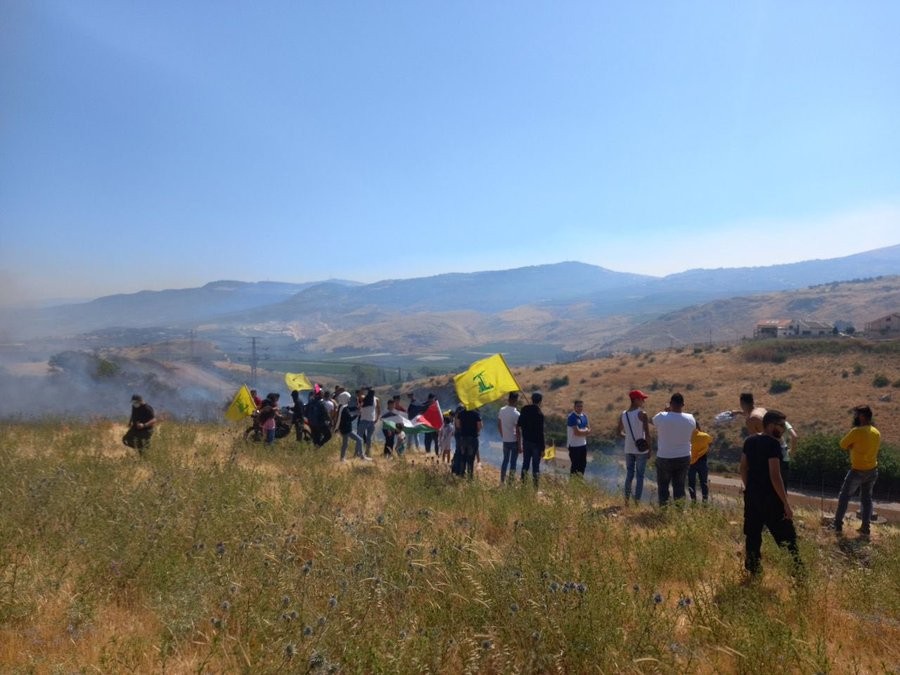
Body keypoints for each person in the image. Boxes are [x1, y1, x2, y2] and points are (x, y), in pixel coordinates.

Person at [740, 410, 802, 575]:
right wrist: (786, 503)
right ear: (770, 425)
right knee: (787, 538)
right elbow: (775, 476)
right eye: (780, 425)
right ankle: (797, 571)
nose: (782, 429)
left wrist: (749, 487)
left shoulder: (749, 440)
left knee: (753, 536)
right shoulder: (773, 444)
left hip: (752, 498)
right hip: (771, 499)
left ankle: (754, 571)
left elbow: (743, 467)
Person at [833, 405, 881, 536]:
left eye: (857, 414)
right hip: (872, 470)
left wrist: (852, 446)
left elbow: (842, 444)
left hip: (857, 470)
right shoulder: (876, 432)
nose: (855, 417)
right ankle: (865, 527)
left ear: (862, 416)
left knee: (844, 497)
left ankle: (837, 525)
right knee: (866, 499)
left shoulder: (856, 432)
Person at [651, 393, 695, 505]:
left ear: (670, 404)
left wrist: (667, 412)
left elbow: (652, 421)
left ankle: (663, 509)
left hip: (665, 456)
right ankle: (679, 510)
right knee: (680, 486)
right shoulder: (690, 418)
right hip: (684, 456)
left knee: (663, 486)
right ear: (683, 405)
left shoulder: (662, 416)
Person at [617, 390, 651, 502]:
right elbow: (647, 434)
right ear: (635, 400)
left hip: (628, 449)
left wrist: (628, 438)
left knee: (629, 475)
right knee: (640, 476)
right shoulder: (642, 414)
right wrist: (649, 450)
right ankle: (637, 502)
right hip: (641, 450)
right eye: (642, 399)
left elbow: (619, 432)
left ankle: (626, 501)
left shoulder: (623, 414)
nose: (643, 401)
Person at [517, 392, 545, 487]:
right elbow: (541, 432)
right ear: (540, 401)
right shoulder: (540, 414)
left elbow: (519, 424)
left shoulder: (524, 409)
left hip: (526, 441)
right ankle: (535, 488)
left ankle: (523, 485)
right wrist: (543, 448)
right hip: (536, 444)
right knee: (535, 466)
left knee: (525, 464)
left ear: (532, 399)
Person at [335, 391, 369, 461]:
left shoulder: (342, 407)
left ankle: (343, 458)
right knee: (356, 441)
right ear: (344, 398)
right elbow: (349, 419)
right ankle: (360, 457)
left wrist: (357, 408)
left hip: (346, 429)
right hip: (346, 429)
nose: (349, 400)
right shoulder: (344, 409)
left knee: (347, 443)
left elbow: (350, 409)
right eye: (348, 398)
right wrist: (357, 414)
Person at [497, 392, 521, 483]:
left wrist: (503, 435)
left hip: (505, 440)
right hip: (514, 441)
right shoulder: (517, 414)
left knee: (505, 460)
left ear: (508, 399)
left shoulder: (502, 410)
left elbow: (499, 425)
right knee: (513, 462)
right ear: (516, 400)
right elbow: (518, 431)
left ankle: (502, 481)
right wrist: (520, 445)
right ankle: (510, 482)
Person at [454, 406, 482, 478]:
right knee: (471, 458)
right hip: (472, 438)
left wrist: (463, 429)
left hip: (463, 438)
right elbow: (479, 426)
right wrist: (476, 431)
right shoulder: (476, 414)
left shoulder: (461, 413)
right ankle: (469, 477)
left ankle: (461, 475)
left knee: (463, 457)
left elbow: (457, 425)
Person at [689, 418, 713, 503]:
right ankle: (705, 502)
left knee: (691, 483)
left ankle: (693, 502)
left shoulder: (688, 436)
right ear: (698, 426)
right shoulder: (705, 436)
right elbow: (710, 443)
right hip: (702, 461)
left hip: (690, 462)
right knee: (704, 483)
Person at [567, 400, 591, 475]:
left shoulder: (584, 416)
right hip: (574, 446)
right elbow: (577, 432)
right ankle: (573, 482)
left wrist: (583, 431)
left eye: (581, 406)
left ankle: (580, 481)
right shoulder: (572, 417)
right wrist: (585, 431)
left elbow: (589, 430)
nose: (580, 408)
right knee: (575, 467)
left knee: (583, 466)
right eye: (578, 406)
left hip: (583, 445)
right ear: (574, 407)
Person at [357, 388, 381, 458]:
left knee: (362, 437)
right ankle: (363, 452)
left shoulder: (373, 399)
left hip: (367, 420)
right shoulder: (373, 399)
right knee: (365, 437)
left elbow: (378, 409)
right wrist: (377, 418)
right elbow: (378, 409)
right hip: (369, 420)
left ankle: (363, 452)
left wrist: (363, 389)